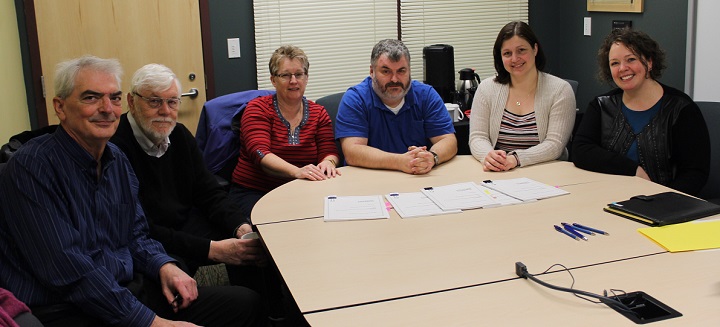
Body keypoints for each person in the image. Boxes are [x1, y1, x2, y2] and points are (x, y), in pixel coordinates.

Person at [0, 56, 263, 327]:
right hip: (68, 308)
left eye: (113, 98)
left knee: (244, 304)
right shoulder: (31, 168)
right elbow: (69, 272)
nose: (107, 109)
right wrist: (152, 323)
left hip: (123, 289)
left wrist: (164, 265)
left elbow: (136, 234)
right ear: (60, 107)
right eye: (91, 98)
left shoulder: (116, 159)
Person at [110, 64, 266, 291]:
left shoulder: (179, 135)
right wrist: (212, 249)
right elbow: (140, 229)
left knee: (250, 247)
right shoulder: (115, 148)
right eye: (154, 101)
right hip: (148, 241)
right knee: (174, 278)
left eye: (172, 102)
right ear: (132, 102)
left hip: (184, 224)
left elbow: (208, 192)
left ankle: (264, 312)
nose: (165, 111)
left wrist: (240, 226)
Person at [572, 28, 710, 195]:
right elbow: (581, 150)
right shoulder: (602, 106)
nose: (622, 68)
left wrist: (662, 200)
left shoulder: (681, 108)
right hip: (610, 197)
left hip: (666, 203)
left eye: (631, 59)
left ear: (649, 62)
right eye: (614, 63)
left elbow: (695, 173)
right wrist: (632, 169)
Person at [229, 45, 340, 219]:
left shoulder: (318, 113)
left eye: (299, 74)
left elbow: (329, 151)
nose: (293, 81)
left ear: (307, 77)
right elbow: (260, 153)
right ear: (273, 80)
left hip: (302, 191)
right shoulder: (257, 109)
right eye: (286, 75)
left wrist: (329, 163)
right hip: (255, 192)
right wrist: (296, 171)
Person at [334, 39, 457, 174]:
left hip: (417, 177)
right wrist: (399, 161)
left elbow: (448, 140)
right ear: (372, 71)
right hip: (369, 180)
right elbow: (353, 152)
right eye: (386, 71)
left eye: (401, 71)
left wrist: (431, 157)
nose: (394, 79)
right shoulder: (356, 99)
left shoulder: (426, 95)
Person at [469, 21, 576, 171]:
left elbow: (555, 144)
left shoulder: (560, 90)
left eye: (521, 50)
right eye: (507, 53)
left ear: (535, 49)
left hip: (548, 172)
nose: (514, 59)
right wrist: (489, 156)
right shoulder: (486, 89)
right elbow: (477, 137)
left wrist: (516, 159)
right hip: (499, 172)